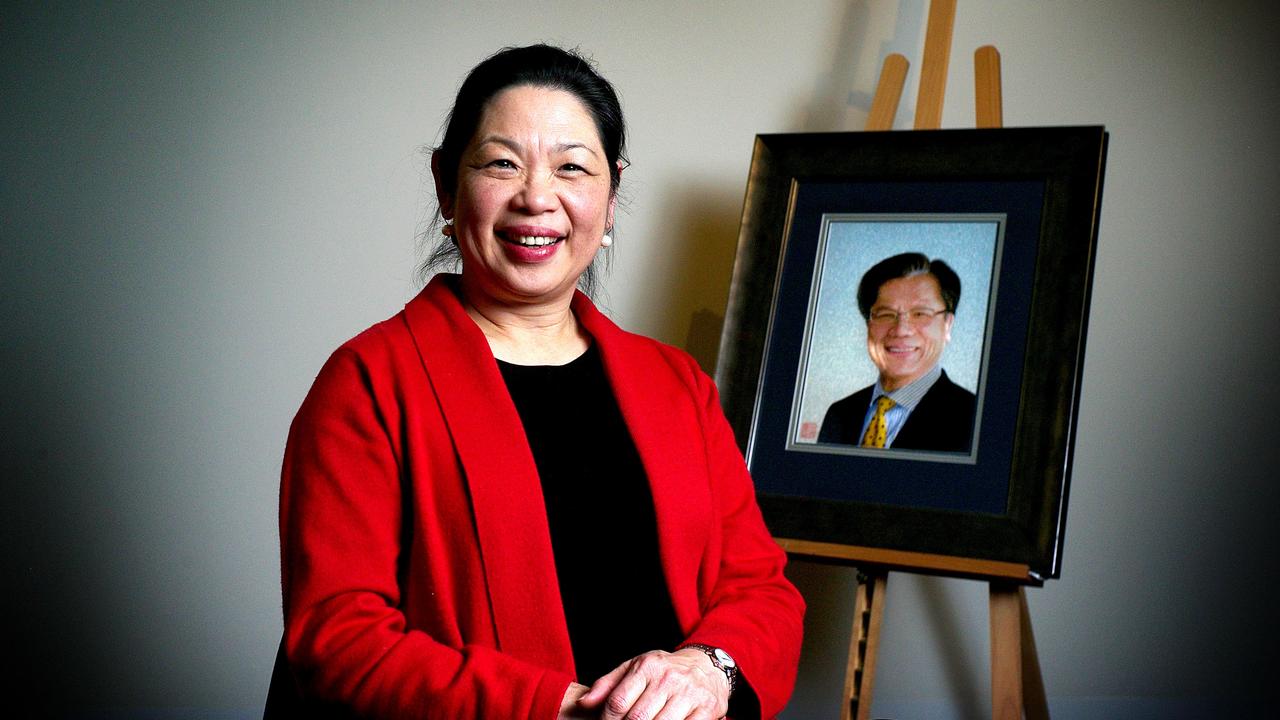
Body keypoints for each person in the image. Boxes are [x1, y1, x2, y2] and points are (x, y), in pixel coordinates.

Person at [266, 44, 804, 720]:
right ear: (445, 185)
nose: (536, 197)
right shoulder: (369, 384)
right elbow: (337, 639)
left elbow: (762, 588)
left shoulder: (675, 383)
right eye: (501, 163)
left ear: (610, 200)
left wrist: (709, 669)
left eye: (572, 167)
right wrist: (561, 708)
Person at [817, 252, 976, 452]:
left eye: (920, 314)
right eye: (885, 315)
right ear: (868, 325)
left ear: (947, 325)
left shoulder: (975, 420)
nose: (901, 330)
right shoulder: (839, 415)